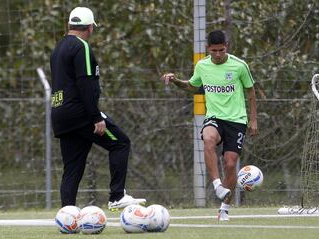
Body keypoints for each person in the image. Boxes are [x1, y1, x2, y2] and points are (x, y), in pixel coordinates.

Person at [50, 6, 145, 210]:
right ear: (90, 28)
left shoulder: (58, 48)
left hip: (59, 113)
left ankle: (67, 214)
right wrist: (95, 117)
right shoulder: (81, 46)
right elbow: (86, 83)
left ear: (69, 25)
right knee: (120, 143)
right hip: (80, 113)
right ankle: (117, 196)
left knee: (73, 167)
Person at [162, 30, 257, 221]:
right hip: (214, 116)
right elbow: (192, 86)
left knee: (230, 164)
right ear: (208, 49)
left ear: (227, 46)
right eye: (214, 51)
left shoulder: (240, 66)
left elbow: (251, 92)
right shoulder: (202, 65)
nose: (218, 54)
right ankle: (216, 185)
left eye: (221, 50)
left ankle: (224, 208)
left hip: (237, 120)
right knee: (208, 138)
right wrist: (176, 81)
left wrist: (253, 120)